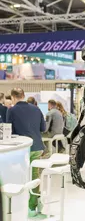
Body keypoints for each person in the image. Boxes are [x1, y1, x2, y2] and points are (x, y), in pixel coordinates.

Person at [6, 88, 46, 217]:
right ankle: (33, 205)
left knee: (19, 175)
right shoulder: (36, 109)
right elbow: (43, 128)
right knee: (34, 176)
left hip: (22, 148)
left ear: (13, 97)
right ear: (24, 95)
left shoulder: (11, 110)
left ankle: (19, 203)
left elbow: (8, 130)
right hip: (38, 147)